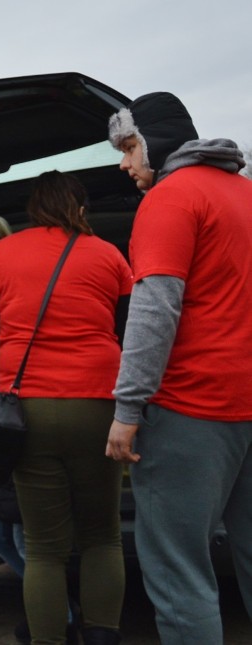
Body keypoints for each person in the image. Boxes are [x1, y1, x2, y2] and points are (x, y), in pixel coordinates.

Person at [106, 92, 252, 643]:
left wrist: (127, 407)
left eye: (129, 147)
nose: (125, 164)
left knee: (179, 572)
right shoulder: (248, 193)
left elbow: (154, 310)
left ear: (156, 140)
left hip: (192, 410)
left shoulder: (170, 199)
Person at [0, 171, 132, 645]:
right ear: (79, 208)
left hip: (29, 410)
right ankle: (103, 637)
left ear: (33, 208)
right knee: (102, 536)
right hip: (99, 405)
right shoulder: (110, 256)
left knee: (44, 548)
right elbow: (129, 334)